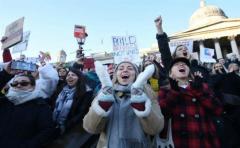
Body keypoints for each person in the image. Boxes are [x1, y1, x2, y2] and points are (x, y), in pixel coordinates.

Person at [83, 61, 164, 148]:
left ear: (137, 75)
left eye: (130, 68)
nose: (125, 70)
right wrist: (103, 104)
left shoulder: (148, 93)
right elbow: (90, 128)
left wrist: (141, 105)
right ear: (116, 75)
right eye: (120, 68)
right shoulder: (104, 93)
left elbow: (155, 129)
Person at [158, 57, 222, 148]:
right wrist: (174, 93)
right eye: (176, 64)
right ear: (170, 73)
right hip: (179, 141)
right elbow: (161, 113)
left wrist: (199, 90)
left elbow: (218, 109)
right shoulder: (165, 90)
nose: (181, 65)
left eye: (184, 64)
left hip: (204, 141)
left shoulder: (202, 86)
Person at [0, 63, 55, 148]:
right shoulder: (5, 101)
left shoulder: (40, 106)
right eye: (15, 83)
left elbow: (47, 132)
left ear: (33, 87)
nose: (18, 85)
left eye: (24, 83)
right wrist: (5, 74)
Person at [154, 16, 209, 82]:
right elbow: (164, 50)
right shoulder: (171, 66)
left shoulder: (200, 68)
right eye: (180, 49)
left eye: (185, 48)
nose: (184, 49)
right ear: (175, 55)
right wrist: (159, 28)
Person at [49, 67, 94, 148]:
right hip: (54, 125)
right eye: (68, 75)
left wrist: (65, 126)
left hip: (70, 129)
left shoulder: (86, 92)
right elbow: (53, 104)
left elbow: (81, 113)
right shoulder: (61, 88)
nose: (69, 77)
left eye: (73, 75)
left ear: (79, 78)